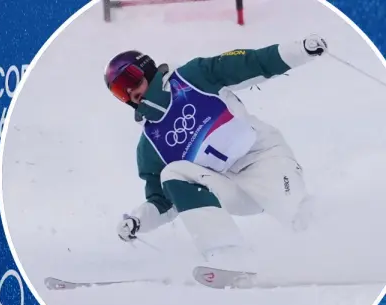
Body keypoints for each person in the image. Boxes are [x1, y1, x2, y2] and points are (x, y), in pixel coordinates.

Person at [106, 38, 328, 267]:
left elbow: (252, 63)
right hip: (231, 187)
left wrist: (300, 50)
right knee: (172, 173)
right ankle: (228, 256)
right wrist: (137, 220)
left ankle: (341, 251)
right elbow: (163, 200)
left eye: (129, 79)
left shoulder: (192, 77)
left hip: (265, 159)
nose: (130, 91)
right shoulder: (150, 145)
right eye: (120, 91)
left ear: (146, 68)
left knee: (300, 219)